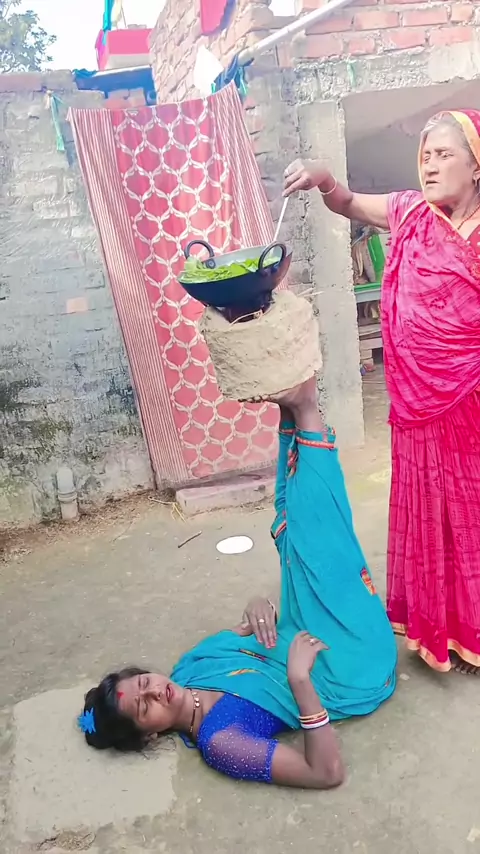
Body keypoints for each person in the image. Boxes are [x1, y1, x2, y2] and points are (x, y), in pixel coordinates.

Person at [78, 376, 397, 788]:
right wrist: (299, 681)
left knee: (288, 530)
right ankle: (305, 408)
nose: (156, 692)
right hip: (349, 670)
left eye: (144, 683)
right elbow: (325, 773)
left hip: (303, 633)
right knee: (318, 543)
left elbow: (251, 632)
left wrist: (256, 607)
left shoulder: (190, 667)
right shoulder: (220, 741)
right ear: (148, 736)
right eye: (144, 708)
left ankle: (290, 413)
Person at [284, 109, 480, 675]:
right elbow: (347, 203)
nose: (430, 167)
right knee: (430, 512)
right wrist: (324, 178)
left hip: (469, 399)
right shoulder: (408, 212)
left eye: (444, 155)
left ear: (475, 165)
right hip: (417, 404)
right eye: (425, 157)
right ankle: (439, 629)